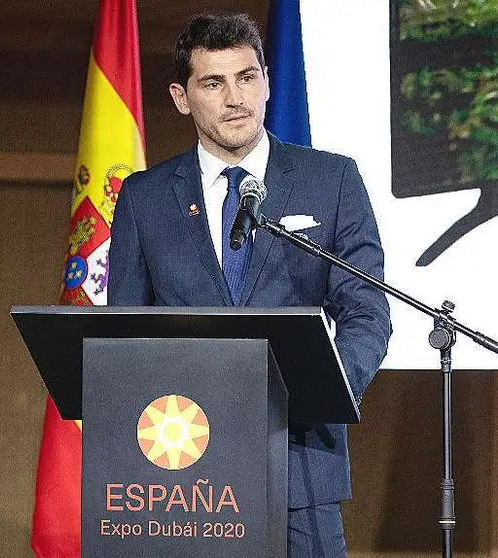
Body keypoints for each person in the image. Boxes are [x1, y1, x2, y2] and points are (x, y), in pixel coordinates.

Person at [108, 12, 391, 557]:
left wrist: (327, 388)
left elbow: (366, 312)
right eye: (213, 83)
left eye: (247, 77)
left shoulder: (330, 180)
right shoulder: (143, 198)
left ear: (265, 81)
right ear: (181, 97)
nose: (235, 98)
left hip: (301, 463)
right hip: (180, 472)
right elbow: (126, 332)